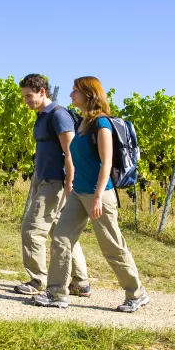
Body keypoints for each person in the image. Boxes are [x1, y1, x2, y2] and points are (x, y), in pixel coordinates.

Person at [32, 76, 150, 313]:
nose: (71, 95)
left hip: (99, 195)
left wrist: (96, 197)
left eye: (75, 91)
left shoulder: (102, 125)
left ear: (88, 94)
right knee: (61, 239)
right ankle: (56, 294)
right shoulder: (81, 123)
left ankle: (136, 294)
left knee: (112, 246)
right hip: (78, 193)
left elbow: (106, 164)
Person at [14, 73, 92, 297]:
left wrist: (69, 184)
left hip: (58, 183)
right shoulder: (42, 116)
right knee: (61, 233)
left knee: (32, 229)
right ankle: (80, 282)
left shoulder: (58, 116)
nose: (26, 100)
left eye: (29, 96)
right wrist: (37, 181)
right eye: (24, 97)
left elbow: (70, 152)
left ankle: (38, 280)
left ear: (42, 91)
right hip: (47, 181)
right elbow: (44, 153)